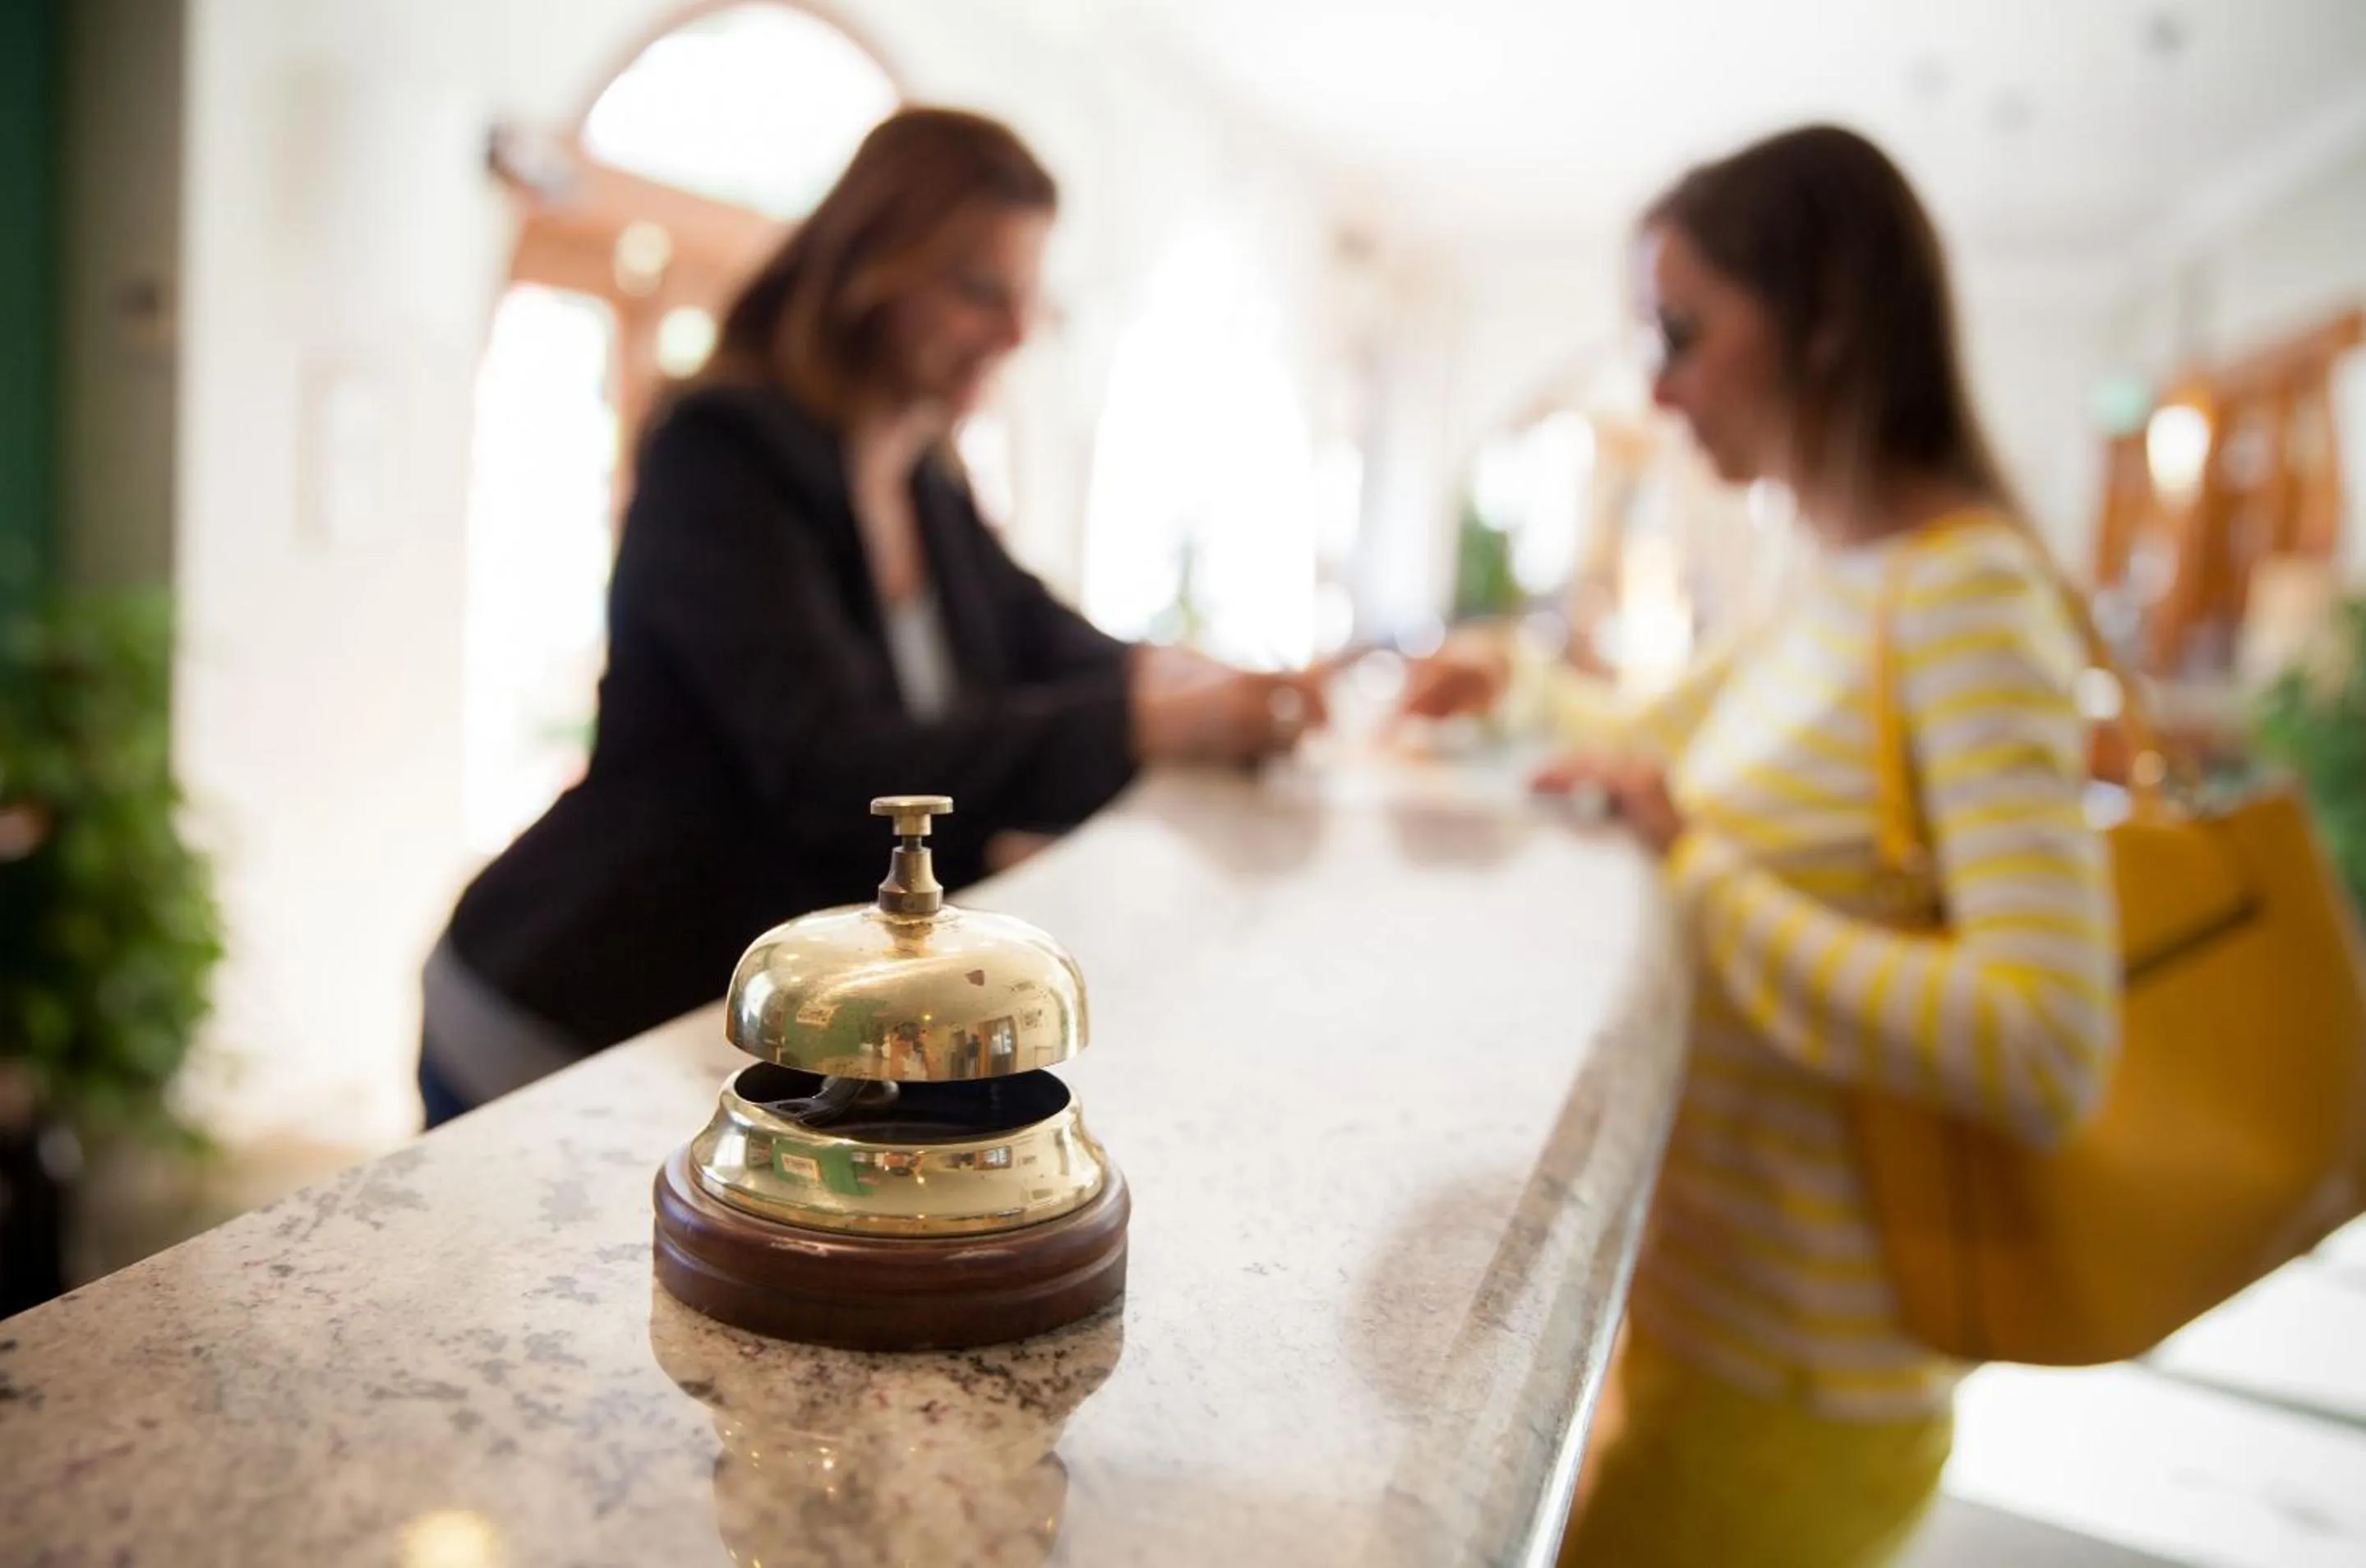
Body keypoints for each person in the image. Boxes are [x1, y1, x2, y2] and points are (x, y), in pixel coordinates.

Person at [1411, 125, 2116, 1566]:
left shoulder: (1962, 594)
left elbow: (2044, 1040)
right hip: (1706, 1320)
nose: (1657, 384)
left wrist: (1698, 869)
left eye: (1681, 330)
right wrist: (1514, 678)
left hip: (1804, 1372)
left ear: (1826, 320)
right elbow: (1659, 735)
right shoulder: (1837, 571)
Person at [420, 108, 1321, 1126]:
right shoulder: (721, 455)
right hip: (570, 1011)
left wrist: (1223, 687)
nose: (1018, 333)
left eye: (1027, 297)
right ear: (868, 268)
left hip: (718, 1029)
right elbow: (830, 764)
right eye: (981, 289)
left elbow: (1061, 649)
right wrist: (1147, 719)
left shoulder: (925, 483)